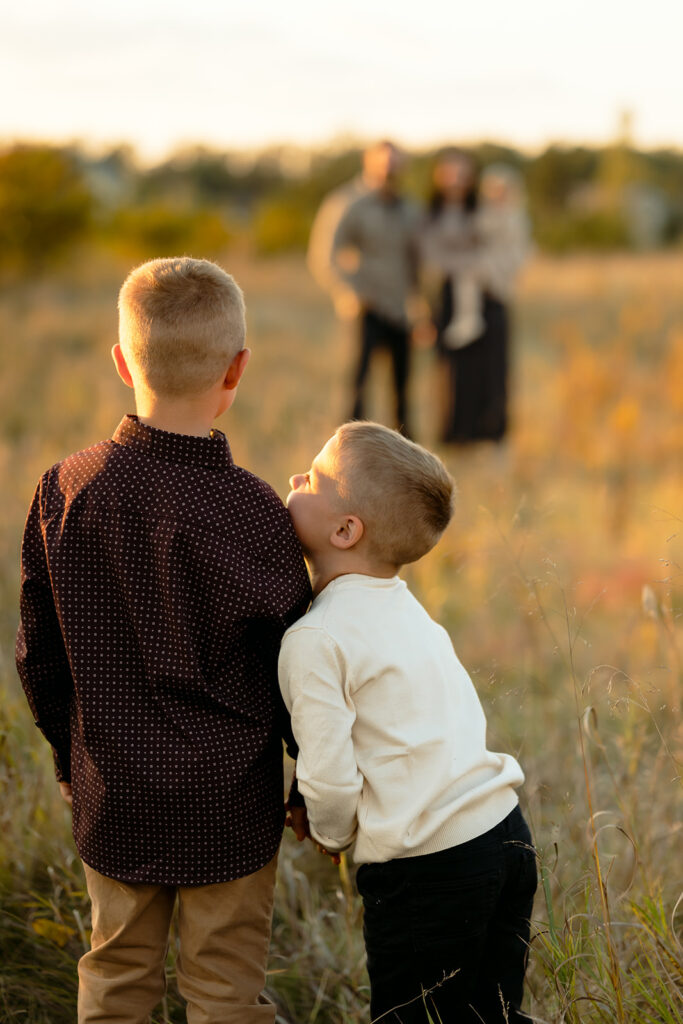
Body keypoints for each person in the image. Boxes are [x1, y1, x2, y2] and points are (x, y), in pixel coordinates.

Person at [15, 257, 311, 1024]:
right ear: (237, 368)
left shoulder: (66, 489)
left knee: (113, 981)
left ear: (121, 361)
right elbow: (296, 672)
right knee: (224, 993)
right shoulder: (255, 513)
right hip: (231, 805)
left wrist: (67, 756)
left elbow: (37, 654)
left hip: (114, 794)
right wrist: (308, 780)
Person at [278, 421, 537, 1024]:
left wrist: (332, 834)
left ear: (346, 530)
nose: (295, 479)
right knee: (489, 1015)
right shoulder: (407, 609)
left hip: (430, 868)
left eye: (313, 478)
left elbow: (332, 778)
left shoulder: (314, 638)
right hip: (504, 834)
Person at [311, 140, 421, 436]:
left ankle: (408, 465)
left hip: (399, 309)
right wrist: (349, 293)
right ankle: (345, 457)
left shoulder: (409, 208)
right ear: (368, 163)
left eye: (394, 164)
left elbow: (417, 260)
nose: (389, 170)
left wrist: (420, 305)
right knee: (355, 390)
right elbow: (324, 255)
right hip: (363, 308)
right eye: (383, 164)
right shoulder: (347, 202)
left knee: (402, 392)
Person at [421, 150, 530, 444]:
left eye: (463, 174)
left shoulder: (484, 210)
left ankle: (493, 432)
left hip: (491, 296)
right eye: (450, 172)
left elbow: (513, 249)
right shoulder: (430, 214)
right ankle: (457, 435)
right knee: (454, 372)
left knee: (492, 371)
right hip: (451, 298)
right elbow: (429, 260)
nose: (456, 180)